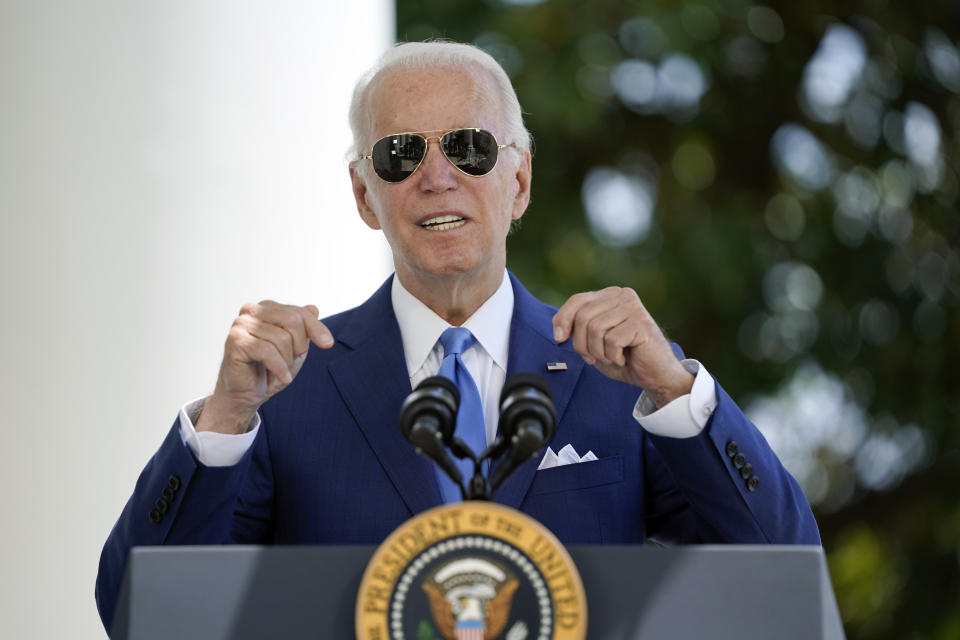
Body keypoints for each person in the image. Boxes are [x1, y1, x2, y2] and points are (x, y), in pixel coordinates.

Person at [95, 40, 820, 632]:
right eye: (400, 154)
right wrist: (223, 420)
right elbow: (137, 610)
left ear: (521, 180)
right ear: (363, 195)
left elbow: (785, 575)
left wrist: (678, 395)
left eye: (470, 147)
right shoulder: (288, 387)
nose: (436, 176)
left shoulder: (618, 376)